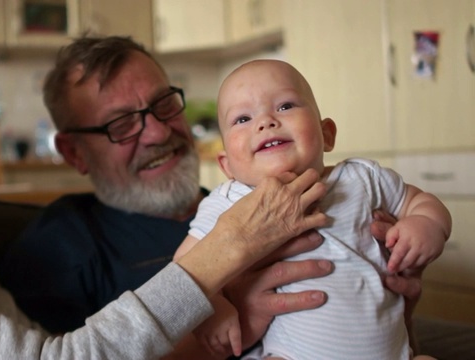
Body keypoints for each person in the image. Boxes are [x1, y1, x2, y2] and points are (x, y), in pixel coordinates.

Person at [0, 1, 332, 358]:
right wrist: (230, 257)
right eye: (120, 124)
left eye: (163, 105)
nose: (158, 130)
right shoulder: (61, 249)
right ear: (73, 153)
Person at [173, 59, 452, 359]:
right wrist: (216, 307)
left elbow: (419, 202)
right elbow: (187, 268)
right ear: (227, 165)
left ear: (327, 135)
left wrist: (426, 224)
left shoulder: (361, 178)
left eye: (285, 106)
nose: (265, 121)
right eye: (242, 119)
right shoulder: (229, 201)